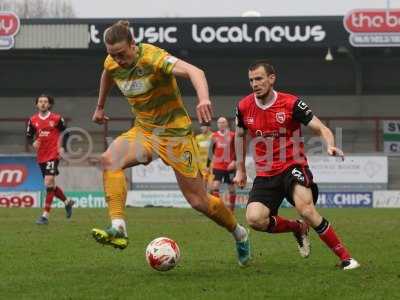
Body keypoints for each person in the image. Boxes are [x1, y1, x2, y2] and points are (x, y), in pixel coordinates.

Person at [90, 20, 250, 266]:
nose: (118, 60)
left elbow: (197, 72)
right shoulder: (112, 61)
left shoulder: (154, 58)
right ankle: (118, 226)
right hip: (145, 131)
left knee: (199, 201)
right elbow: (107, 74)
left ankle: (239, 233)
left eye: (121, 54)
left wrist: (203, 99)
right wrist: (100, 107)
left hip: (175, 134)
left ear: (133, 44)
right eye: (112, 54)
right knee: (110, 161)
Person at [234, 61, 360, 270]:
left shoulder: (291, 104)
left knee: (307, 210)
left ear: (271, 79)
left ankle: (347, 258)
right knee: (255, 219)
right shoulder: (243, 106)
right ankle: (297, 228)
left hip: (293, 166)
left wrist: (330, 145)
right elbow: (239, 135)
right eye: (251, 80)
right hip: (265, 174)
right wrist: (240, 169)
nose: (254, 84)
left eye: (259, 78)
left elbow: (321, 128)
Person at [26, 94, 75, 225]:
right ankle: (67, 202)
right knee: (50, 185)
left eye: (45, 102)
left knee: (48, 181)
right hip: (41, 156)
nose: (42, 104)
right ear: (36, 104)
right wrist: (33, 142)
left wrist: (63, 147)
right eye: (40, 101)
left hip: (54, 154)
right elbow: (29, 135)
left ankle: (45, 216)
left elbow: (66, 132)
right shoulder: (32, 120)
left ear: (49, 104)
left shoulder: (56, 118)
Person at [208, 117, 237, 212]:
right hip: (218, 166)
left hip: (230, 166)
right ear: (217, 124)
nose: (221, 124)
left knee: (231, 188)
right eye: (219, 123)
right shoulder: (214, 136)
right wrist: (208, 164)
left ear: (227, 123)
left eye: (223, 122)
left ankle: (231, 210)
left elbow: (237, 150)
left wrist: (234, 161)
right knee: (215, 186)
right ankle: (218, 208)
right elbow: (210, 151)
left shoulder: (232, 135)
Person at [195, 122, 213, 187]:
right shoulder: (197, 138)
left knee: (212, 186)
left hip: (212, 166)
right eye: (201, 126)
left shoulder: (213, 136)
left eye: (204, 126)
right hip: (201, 166)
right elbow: (196, 152)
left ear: (209, 128)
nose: (202, 128)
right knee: (202, 186)